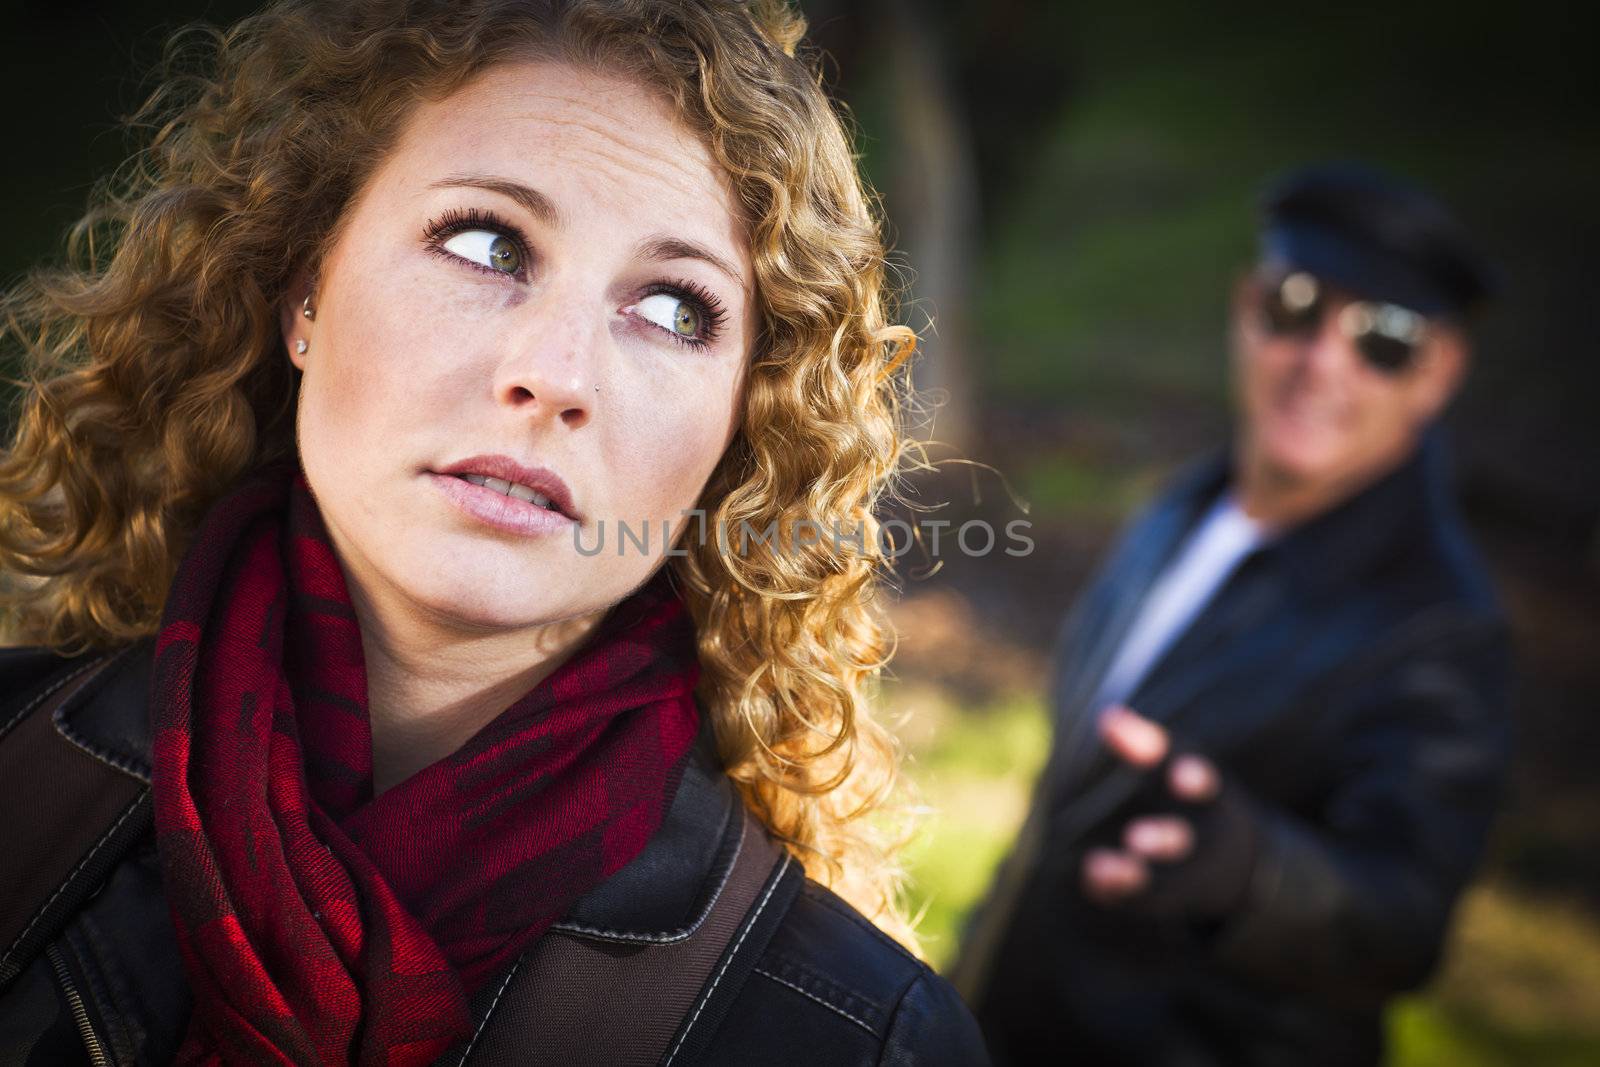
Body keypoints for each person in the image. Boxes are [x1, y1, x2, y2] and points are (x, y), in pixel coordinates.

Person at [0, 1, 991, 1063]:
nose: (555, 373)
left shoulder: (859, 1036)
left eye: (671, 310)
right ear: (305, 291)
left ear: (745, 427)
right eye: (485, 242)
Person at [950, 162, 1514, 1066]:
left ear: (1437, 373)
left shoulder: (1441, 628)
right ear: (1247, 306)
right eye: (1297, 304)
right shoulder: (1176, 509)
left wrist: (1253, 873)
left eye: (1386, 338)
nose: (1323, 359)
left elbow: (1404, 920)